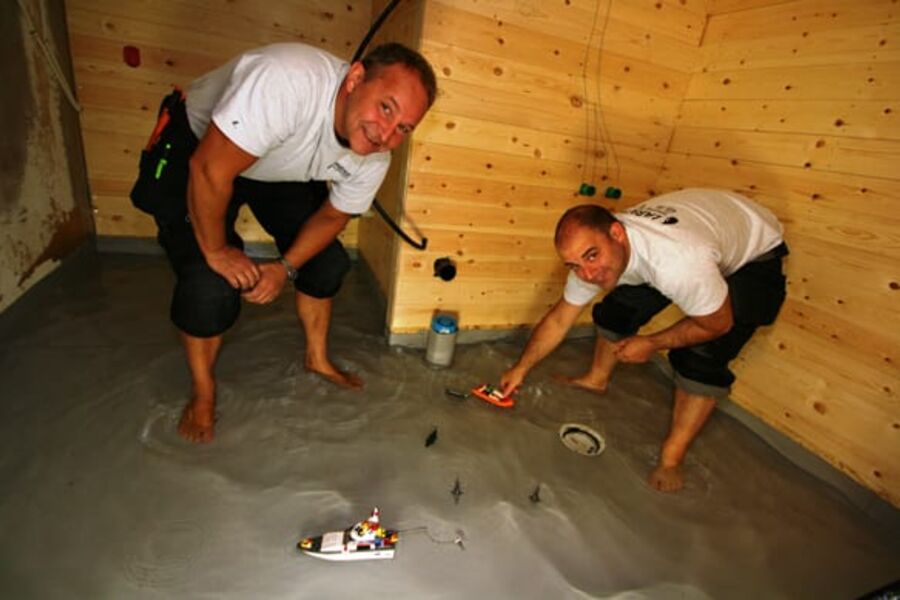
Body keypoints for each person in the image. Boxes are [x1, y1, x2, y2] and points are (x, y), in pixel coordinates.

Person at [130, 42, 436, 443]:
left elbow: (333, 216)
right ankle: (204, 393)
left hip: (274, 165)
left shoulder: (376, 157)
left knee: (325, 262)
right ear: (356, 79)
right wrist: (218, 252)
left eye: (404, 128)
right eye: (385, 108)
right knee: (209, 286)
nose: (387, 134)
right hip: (205, 147)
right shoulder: (288, 81)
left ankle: (317, 358)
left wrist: (284, 266)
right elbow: (209, 169)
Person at [499, 188, 788, 492]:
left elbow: (717, 324)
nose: (587, 273)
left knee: (701, 357)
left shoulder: (676, 262)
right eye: (574, 265)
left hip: (754, 252)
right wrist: (521, 368)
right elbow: (560, 319)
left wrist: (651, 343)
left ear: (616, 233)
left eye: (592, 256)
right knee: (616, 311)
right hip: (704, 230)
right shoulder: (592, 260)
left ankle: (671, 459)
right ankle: (596, 379)